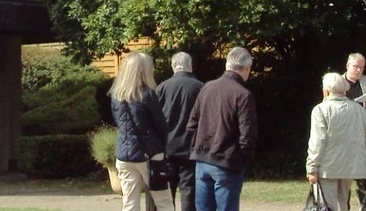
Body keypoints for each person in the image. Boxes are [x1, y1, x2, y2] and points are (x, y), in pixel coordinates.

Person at [187, 47, 257, 211]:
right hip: (227, 161)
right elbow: (247, 134)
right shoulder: (243, 94)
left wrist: (195, 149)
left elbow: (192, 124)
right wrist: (243, 159)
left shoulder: (207, 88)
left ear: (227, 65)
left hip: (202, 159)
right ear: (247, 69)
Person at [110, 52, 174, 211]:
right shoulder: (147, 94)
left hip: (124, 154)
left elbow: (120, 123)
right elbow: (161, 125)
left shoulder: (116, 96)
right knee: (163, 200)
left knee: (130, 202)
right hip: (149, 154)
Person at [308, 73, 366, 211]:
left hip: (327, 167)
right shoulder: (358, 109)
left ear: (325, 90)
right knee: (343, 203)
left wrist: (312, 167)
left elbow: (317, 141)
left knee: (327, 205)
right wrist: (362, 154)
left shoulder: (320, 109)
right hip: (350, 164)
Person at [158, 51, 204, 211]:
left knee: (165, 195)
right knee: (189, 193)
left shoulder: (162, 87)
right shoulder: (200, 87)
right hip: (190, 147)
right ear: (190, 65)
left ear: (173, 66)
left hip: (167, 148)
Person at [345, 53, 366, 211]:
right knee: (343, 175)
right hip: (343, 133)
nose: (358, 70)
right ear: (347, 66)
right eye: (355, 66)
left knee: (363, 174)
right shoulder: (337, 81)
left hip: (362, 133)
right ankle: (343, 205)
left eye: (361, 67)